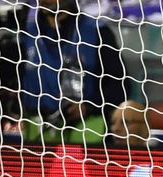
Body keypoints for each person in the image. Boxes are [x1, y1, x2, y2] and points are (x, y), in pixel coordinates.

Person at [20, 0, 126, 146]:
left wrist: (88, 107)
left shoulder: (97, 31)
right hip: (35, 138)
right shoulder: (24, 31)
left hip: (85, 138)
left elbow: (120, 86)